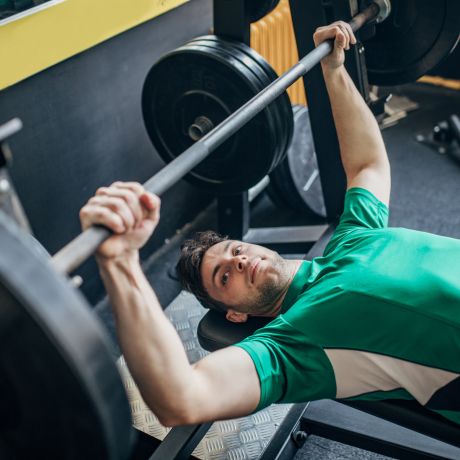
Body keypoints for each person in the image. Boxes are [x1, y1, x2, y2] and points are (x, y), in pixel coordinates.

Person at [80, 22, 460, 428]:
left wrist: (333, 70)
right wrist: (120, 263)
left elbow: (367, 164)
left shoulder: (352, 236)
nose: (240, 261)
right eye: (225, 276)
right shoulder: (293, 346)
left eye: (236, 250)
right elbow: (184, 398)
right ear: (236, 316)